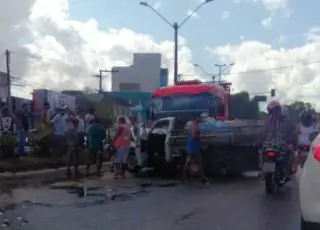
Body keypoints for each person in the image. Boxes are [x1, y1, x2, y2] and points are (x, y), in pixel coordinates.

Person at [182, 115, 207, 184]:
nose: (201, 119)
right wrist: (201, 137)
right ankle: (185, 178)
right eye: (200, 118)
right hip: (193, 147)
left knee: (199, 163)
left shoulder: (195, 125)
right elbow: (193, 136)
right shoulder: (193, 126)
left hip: (194, 147)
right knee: (189, 163)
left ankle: (202, 178)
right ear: (197, 118)